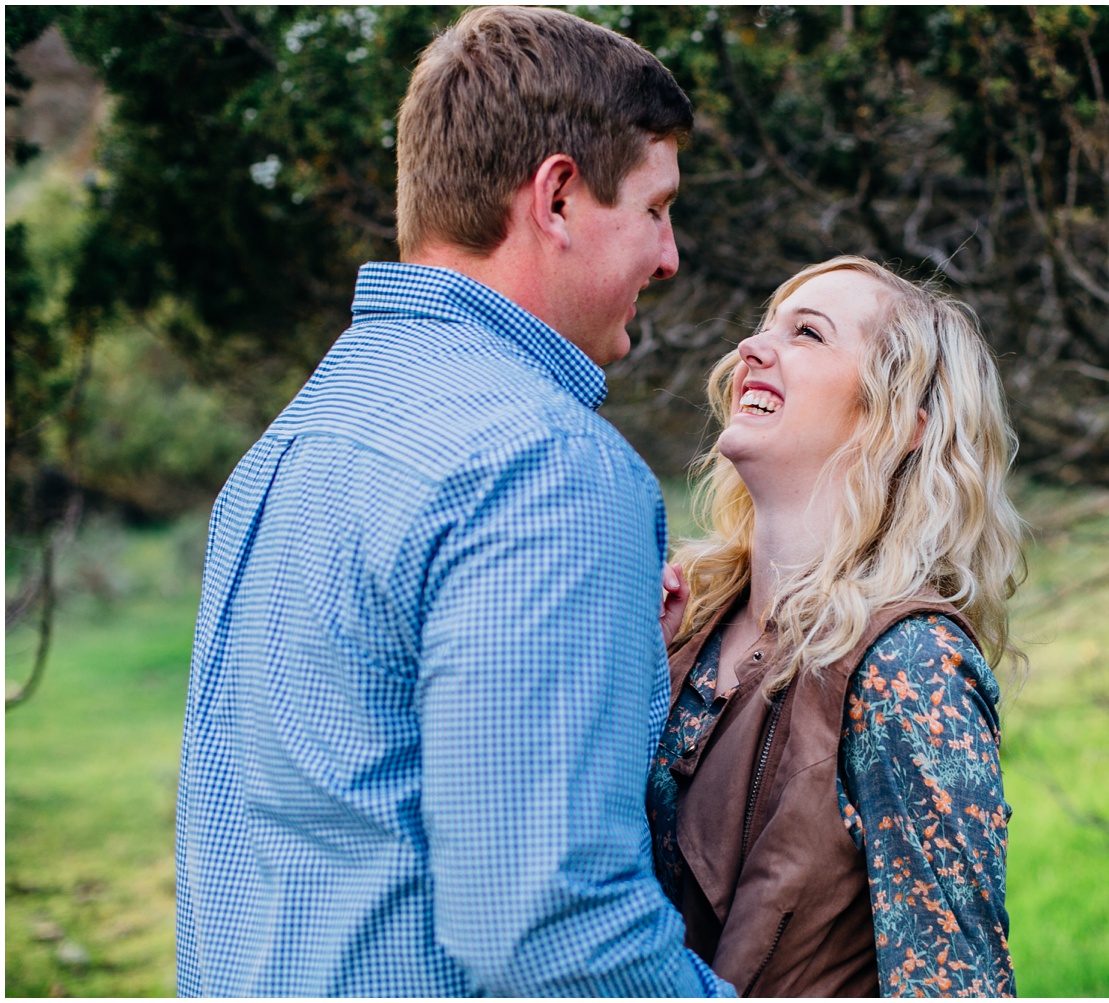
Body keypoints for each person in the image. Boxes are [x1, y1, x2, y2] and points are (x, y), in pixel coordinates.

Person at [175, 7, 733, 996]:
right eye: (656, 208)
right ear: (558, 196)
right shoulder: (544, 465)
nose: (669, 255)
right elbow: (555, 931)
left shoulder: (290, 446)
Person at [646, 256, 1025, 997]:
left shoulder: (909, 662)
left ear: (903, 422)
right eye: (762, 329)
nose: (751, 349)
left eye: (808, 334)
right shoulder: (683, 621)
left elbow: (958, 986)